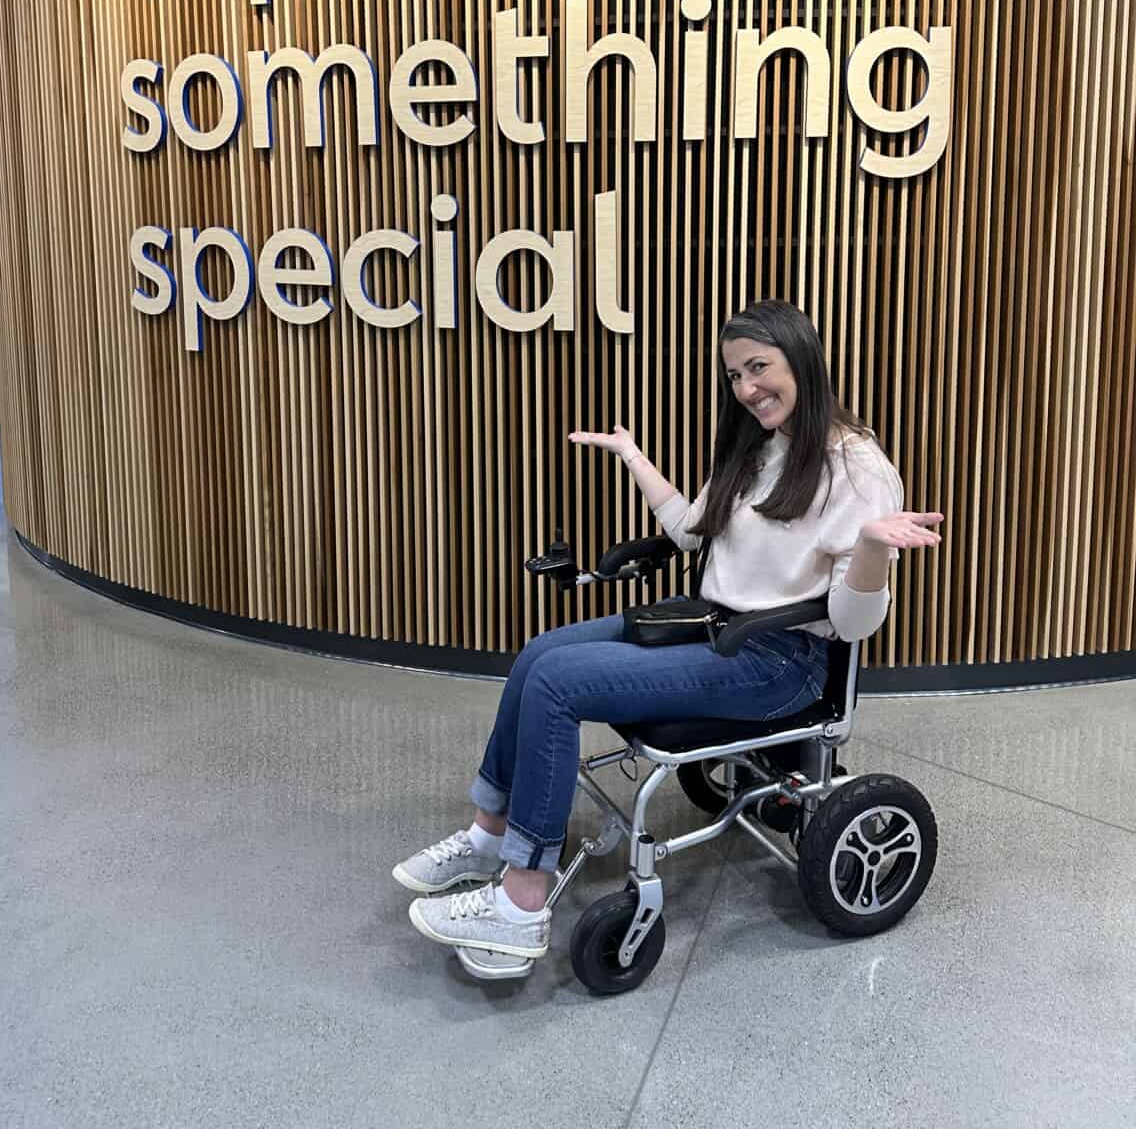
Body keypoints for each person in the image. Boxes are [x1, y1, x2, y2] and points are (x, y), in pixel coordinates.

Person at [395, 299, 942, 962]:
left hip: (776, 661)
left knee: (559, 685)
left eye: (758, 368)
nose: (745, 389)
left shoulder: (860, 472)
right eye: (735, 375)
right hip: (711, 625)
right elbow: (690, 530)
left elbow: (854, 624)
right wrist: (632, 455)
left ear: (802, 358)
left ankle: (521, 903)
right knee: (539, 654)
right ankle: (490, 833)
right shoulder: (763, 448)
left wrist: (873, 550)